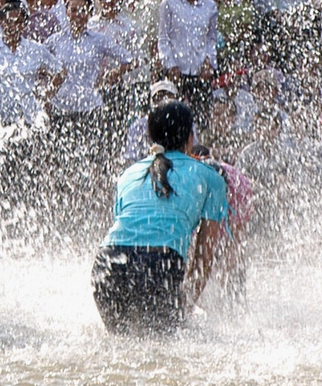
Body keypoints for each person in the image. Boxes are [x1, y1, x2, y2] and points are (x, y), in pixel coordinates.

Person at [92, 100, 228, 335]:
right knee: (163, 354)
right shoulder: (210, 178)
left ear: (151, 139)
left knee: (120, 352)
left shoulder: (128, 174)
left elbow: (125, 230)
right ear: (190, 138)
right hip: (160, 264)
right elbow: (204, 255)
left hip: (107, 265)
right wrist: (186, 305)